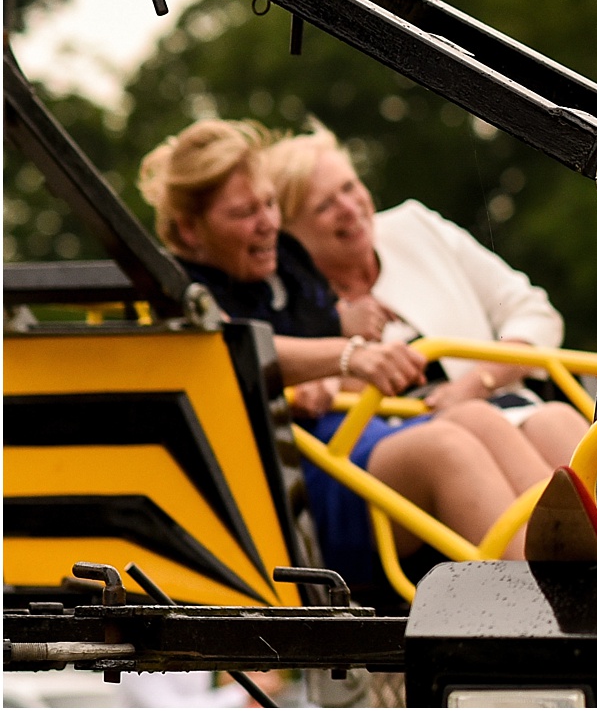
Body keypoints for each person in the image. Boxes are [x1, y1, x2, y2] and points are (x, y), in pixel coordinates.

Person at [137, 119, 539, 579]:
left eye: (269, 204)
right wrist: (344, 355)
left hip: (345, 444)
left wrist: (340, 349)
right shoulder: (178, 292)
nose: (267, 223)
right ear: (190, 232)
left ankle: (590, 557)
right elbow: (233, 347)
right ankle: (546, 600)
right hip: (284, 488)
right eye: (243, 213)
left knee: (476, 417)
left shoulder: (284, 266)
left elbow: (315, 343)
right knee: (446, 447)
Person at [265, 125, 589, 468]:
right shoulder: (289, 301)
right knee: (477, 428)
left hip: (503, 405)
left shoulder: (413, 226)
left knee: (556, 420)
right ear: (290, 234)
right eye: (324, 206)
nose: (349, 207)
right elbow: (315, 395)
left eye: (349, 187)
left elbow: (535, 313)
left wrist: (478, 382)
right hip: (407, 446)